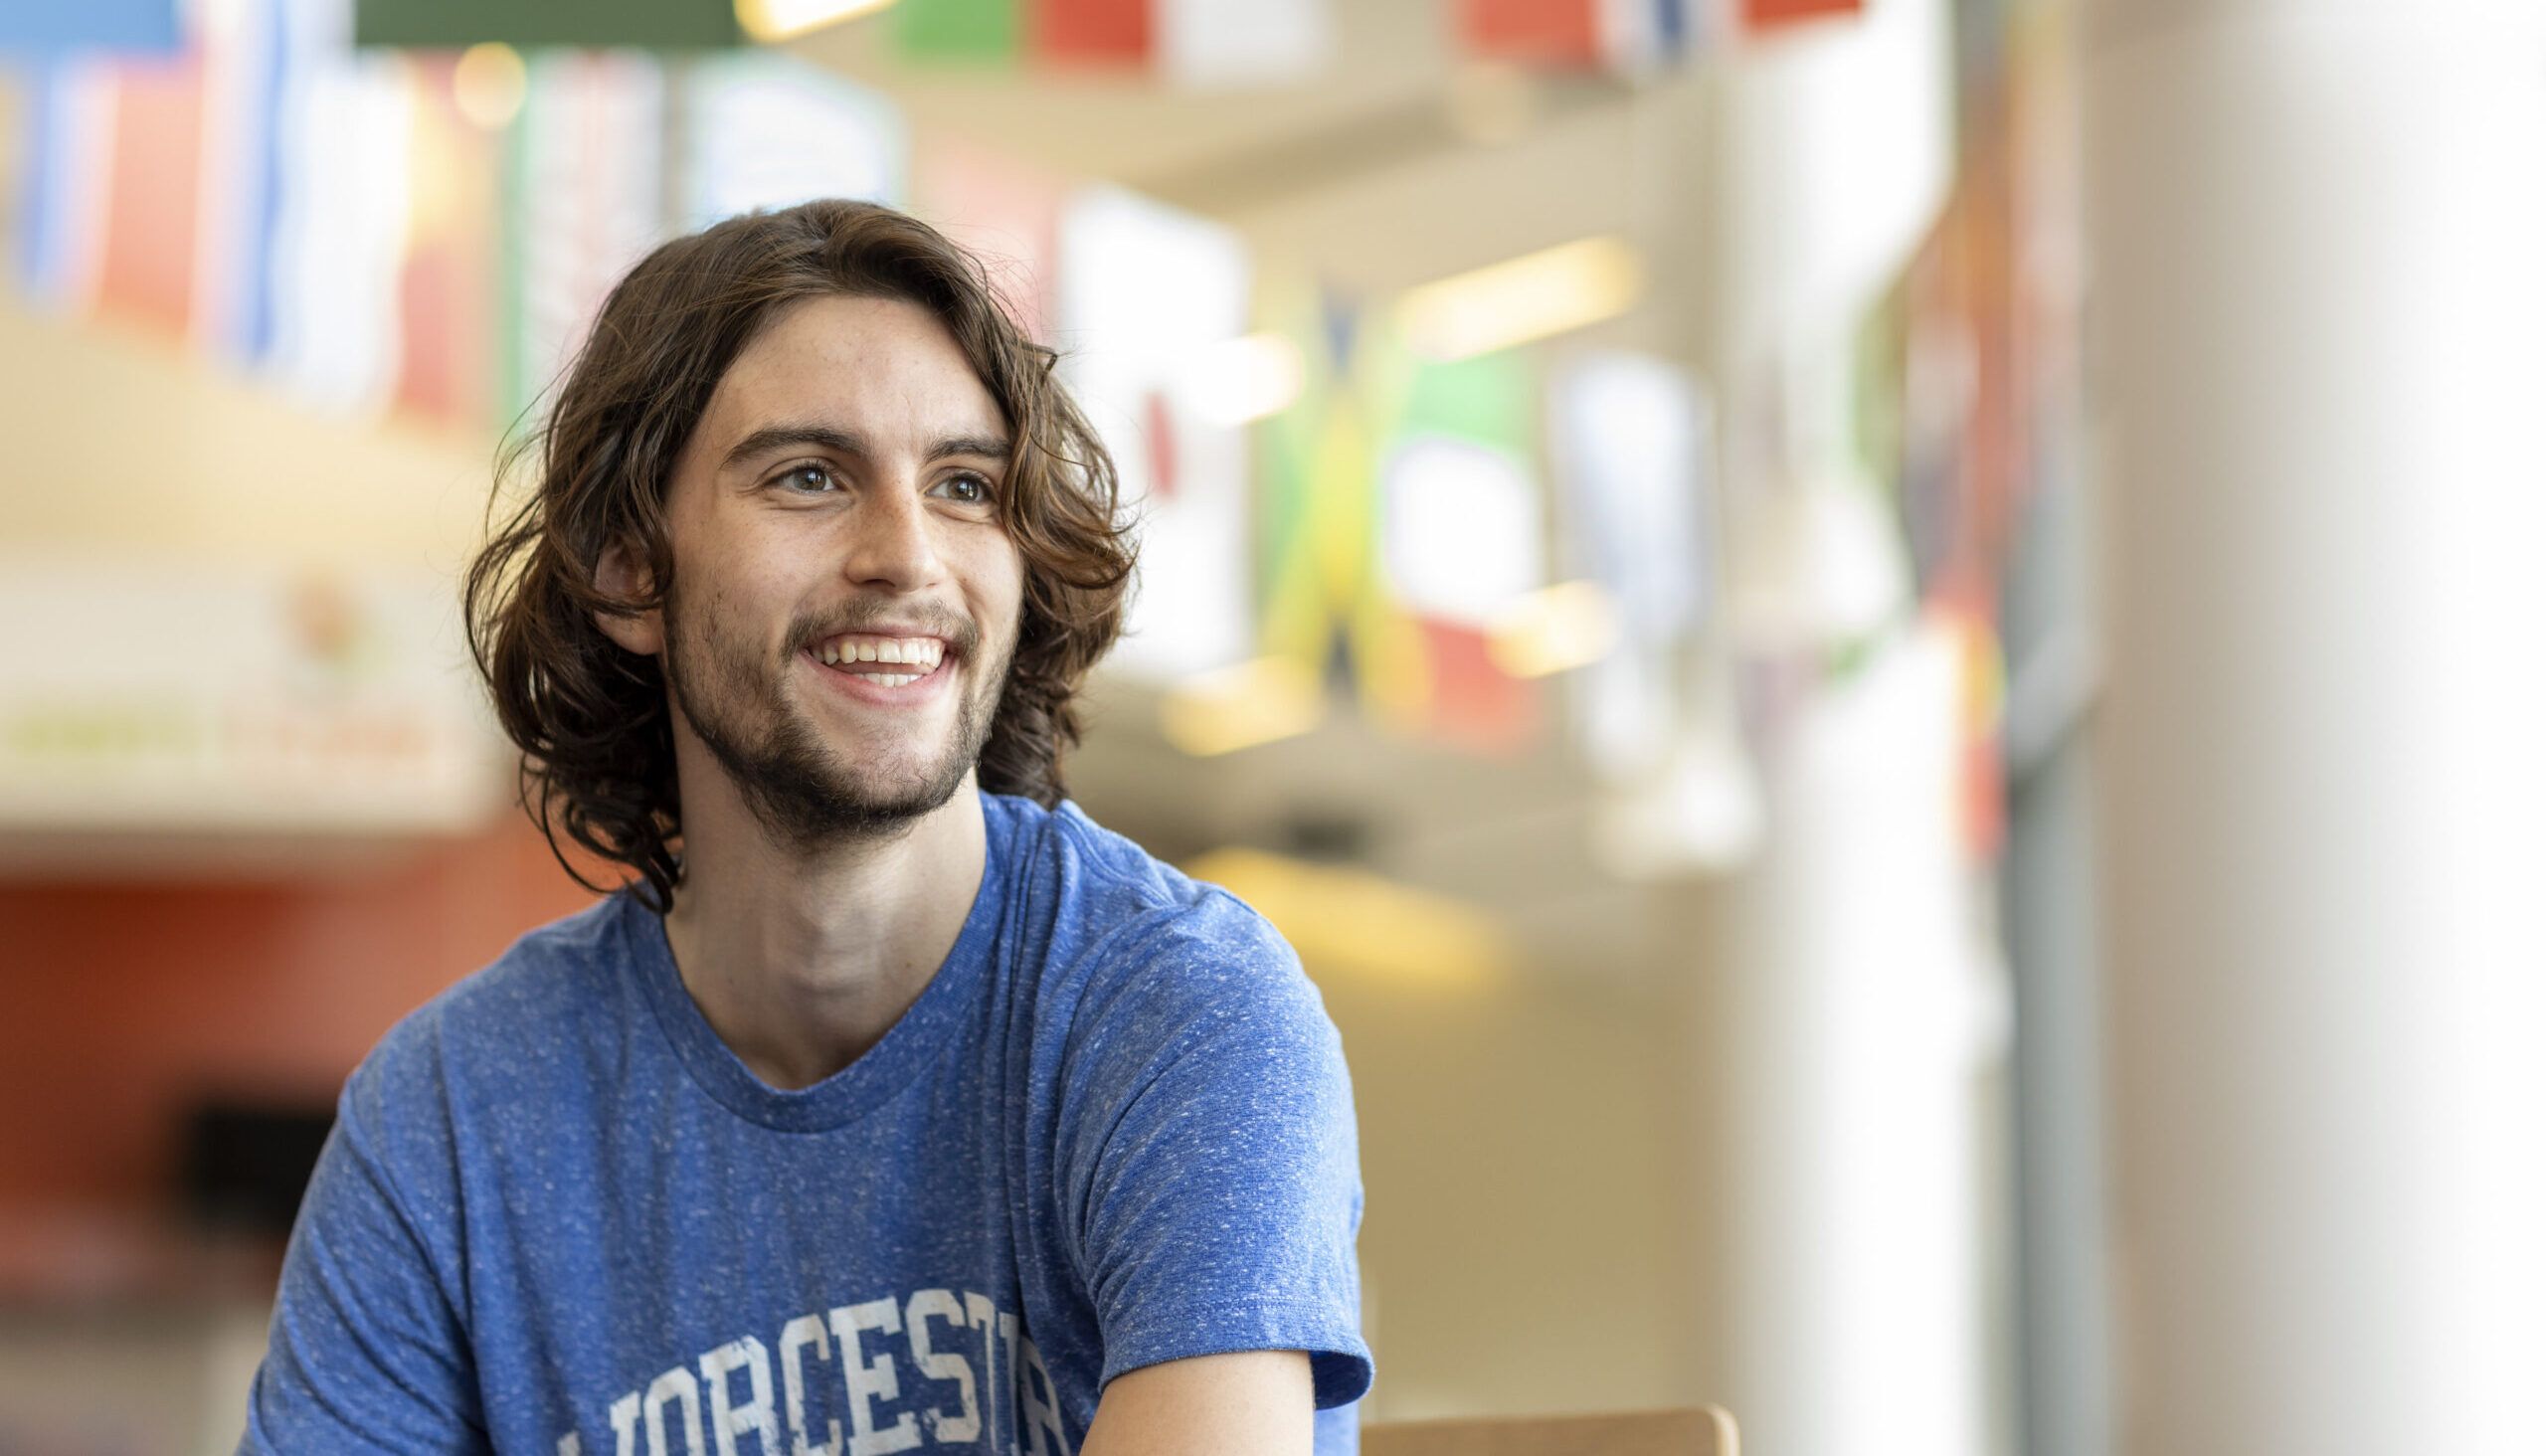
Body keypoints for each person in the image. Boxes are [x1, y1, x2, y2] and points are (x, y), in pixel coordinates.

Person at [241, 199, 1370, 1455]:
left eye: (964, 486)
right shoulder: (450, 1117)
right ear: (627, 569)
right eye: (809, 477)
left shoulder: (1175, 1011)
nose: (908, 556)